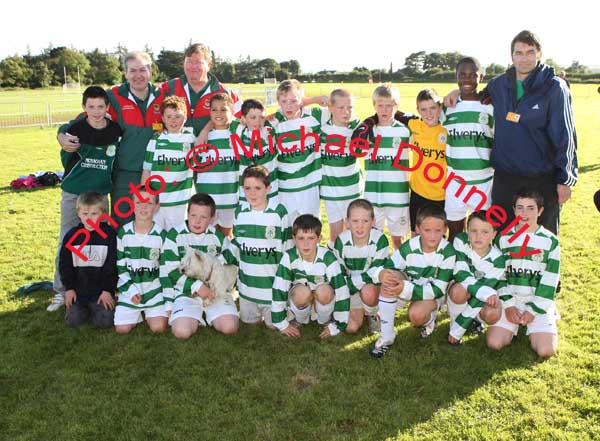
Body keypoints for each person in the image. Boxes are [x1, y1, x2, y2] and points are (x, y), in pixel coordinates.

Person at [445, 31, 577, 235]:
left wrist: (565, 180)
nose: (524, 58)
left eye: (530, 52)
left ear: (539, 54)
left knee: (542, 236)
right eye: (519, 53)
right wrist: (455, 92)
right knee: (504, 235)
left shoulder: (554, 87)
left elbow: (565, 136)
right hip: (505, 179)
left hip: (541, 177)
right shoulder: (499, 84)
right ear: (512, 56)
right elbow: (475, 95)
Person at [57, 51, 166, 226]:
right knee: (123, 221)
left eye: (142, 70)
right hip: (124, 172)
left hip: (157, 171)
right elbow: (82, 120)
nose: (138, 75)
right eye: (132, 70)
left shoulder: (162, 95)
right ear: (125, 73)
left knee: (154, 220)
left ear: (150, 71)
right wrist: (62, 135)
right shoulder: (114, 96)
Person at [48, 86, 121, 312]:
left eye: (101, 106)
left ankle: (100, 288)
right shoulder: (75, 130)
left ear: (107, 108)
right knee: (68, 239)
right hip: (75, 193)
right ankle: (61, 291)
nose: (96, 111)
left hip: (100, 195)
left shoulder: (115, 131)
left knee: (100, 242)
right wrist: (61, 136)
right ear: (84, 108)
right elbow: (64, 137)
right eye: (91, 107)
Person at [369, 204, 455, 358]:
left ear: (445, 230)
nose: (433, 236)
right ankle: (387, 336)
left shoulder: (448, 252)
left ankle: (430, 320)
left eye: (438, 230)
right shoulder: (409, 247)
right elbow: (388, 267)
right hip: (410, 284)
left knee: (415, 316)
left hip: (433, 294)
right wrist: (381, 274)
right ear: (417, 229)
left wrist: (405, 288)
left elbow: (438, 290)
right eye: (427, 230)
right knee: (389, 279)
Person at [488, 188, 560, 358]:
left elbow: (550, 280)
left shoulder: (550, 241)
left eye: (530, 208)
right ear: (513, 210)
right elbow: (498, 275)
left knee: (546, 351)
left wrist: (534, 310)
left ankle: (547, 317)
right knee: (494, 343)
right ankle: (513, 324)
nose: (524, 213)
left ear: (540, 211)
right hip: (512, 299)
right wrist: (508, 304)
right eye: (519, 207)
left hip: (538, 301)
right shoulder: (503, 239)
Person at [162, 193, 239, 339]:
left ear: (212, 218)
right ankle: (194, 314)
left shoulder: (216, 236)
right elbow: (171, 271)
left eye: (203, 217)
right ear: (187, 213)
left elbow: (233, 252)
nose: (197, 221)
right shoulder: (174, 235)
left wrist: (218, 262)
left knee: (230, 327)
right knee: (181, 332)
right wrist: (197, 286)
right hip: (187, 293)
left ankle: (210, 313)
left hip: (215, 292)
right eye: (193, 215)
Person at [230, 165, 293, 327]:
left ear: (268, 188)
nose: (252, 193)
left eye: (258, 188)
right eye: (247, 188)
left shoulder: (279, 212)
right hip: (247, 290)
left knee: (274, 326)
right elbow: (238, 246)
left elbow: (288, 248)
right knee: (248, 323)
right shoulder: (239, 213)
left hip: (272, 290)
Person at [271, 214, 350, 339]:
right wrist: (281, 323)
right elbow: (279, 288)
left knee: (324, 290)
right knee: (301, 292)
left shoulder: (328, 258)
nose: (306, 244)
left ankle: (325, 320)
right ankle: (300, 319)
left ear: (319, 238)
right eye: (301, 238)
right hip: (303, 298)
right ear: (294, 239)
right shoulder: (289, 257)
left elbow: (341, 290)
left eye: (311, 238)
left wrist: (338, 325)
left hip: (322, 298)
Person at [443, 57, 494, 241]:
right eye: (462, 75)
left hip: (483, 182)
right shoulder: (447, 107)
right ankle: (455, 268)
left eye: (473, 75)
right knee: (455, 234)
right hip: (455, 183)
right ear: (456, 76)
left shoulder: (490, 107)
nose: (467, 80)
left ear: (481, 77)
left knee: (482, 235)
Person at [360, 83, 411, 249]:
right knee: (374, 239)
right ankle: (376, 269)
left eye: (389, 105)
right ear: (374, 105)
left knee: (398, 239)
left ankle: (402, 268)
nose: (384, 110)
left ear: (396, 106)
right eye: (380, 105)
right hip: (373, 195)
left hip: (398, 195)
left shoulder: (405, 131)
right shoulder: (366, 131)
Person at [114, 186, 169, 334]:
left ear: (157, 206)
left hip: (154, 291)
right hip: (131, 290)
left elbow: (166, 270)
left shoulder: (162, 235)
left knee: (159, 328)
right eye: (139, 203)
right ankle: (137, 313)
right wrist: (131, 291)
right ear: (132, 205)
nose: (143, 207)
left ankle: (150, 312)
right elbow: (121, 268)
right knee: (122, 329)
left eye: (149, 203)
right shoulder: (123, 233)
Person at [59, 192, 117, 328]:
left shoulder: (110, 235)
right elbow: (65, 265)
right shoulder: (72, 236)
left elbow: (112, 266)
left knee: (105, 322)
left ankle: (99, 308)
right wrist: (69, 288)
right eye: (85, 214)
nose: (89, 218)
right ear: (78, 213)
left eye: (94, 214)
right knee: (73, 321)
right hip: (79, 293)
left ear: (102, 213)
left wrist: (108, 290)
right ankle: (82, 309)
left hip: (101, 292)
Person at [269, 79, 324, 221]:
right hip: (285, 188)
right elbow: (253, 122)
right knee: (288, 232)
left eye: (294, 101)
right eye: (284, 101)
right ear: (278, 102)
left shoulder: (315, 115)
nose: (289, 106)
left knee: (311, 229)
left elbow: (332, 101)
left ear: (302, 100)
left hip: (309, 187)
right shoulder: (275, 122)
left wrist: (310, 100)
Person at [332, 199, 389, 334]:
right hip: (350, 288)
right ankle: (358, 308)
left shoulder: (380, 240)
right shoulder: (341, 241)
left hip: (370, 287)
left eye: (365, 221)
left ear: (373, 221)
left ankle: (373, 313)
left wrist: (350, 285)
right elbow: (339, 273)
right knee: (350, 328)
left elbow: (375, 274)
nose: (360, 226)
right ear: (347, 222)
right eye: (355, 221)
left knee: (368, 292)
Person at [447, 210, 504, 345]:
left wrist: (458, 330)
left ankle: (475, 321)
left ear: (494, 234)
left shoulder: (498, 260)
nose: (478, 236)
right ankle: (455, 320)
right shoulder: (460, 241)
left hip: (479, 298)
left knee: (492, 313)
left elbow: (481, 296)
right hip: (461, 289)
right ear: (467, 231)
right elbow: (461, 274)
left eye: (485, 232)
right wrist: (484, 293)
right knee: (459, 290)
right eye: (473, 231)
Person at [161, 43, 242, 136]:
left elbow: (245, 119)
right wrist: (159, 129)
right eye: (189, 62)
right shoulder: (169, 88)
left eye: (198, 62)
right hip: (177, 148)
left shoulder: (224, 92)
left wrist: (207, 129)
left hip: (212, 148)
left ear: (209, 65)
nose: (193, 67)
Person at [141, 96, 195, 231]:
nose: (173, 121)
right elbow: (147, 170)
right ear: (163, 118)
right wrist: (145, 199)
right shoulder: (156, 139)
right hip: (158, 202)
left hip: (181, 202)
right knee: (157, 238)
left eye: (178, 116)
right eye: (169, 116)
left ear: (185, 117)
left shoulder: (191, 138)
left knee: (178, 239)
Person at [319, 89, 362, 246]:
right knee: (336, 235)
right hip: (331, 192)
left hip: (352, 189)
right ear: (330, 108)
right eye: (341, 108)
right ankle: (337, 267)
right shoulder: (322, 128)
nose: (346, 112)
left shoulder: (358, 127)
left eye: (350, 107)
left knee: (354, 234)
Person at [194, 93, 240, 237]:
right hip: (207, 197)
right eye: (214, 109)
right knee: (207, 236)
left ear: (232, 111)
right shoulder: (203, 137)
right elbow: (196, 162)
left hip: (230, 196)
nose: (218, 113)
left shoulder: (238, 134)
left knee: (227, 235)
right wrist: (205, 131)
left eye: (223, 109)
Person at [405, 88, 447, 236]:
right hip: (418, 191)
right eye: (423, 109)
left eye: (433, 108)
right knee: (416, 234)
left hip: (442, 194)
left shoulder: (448, 129)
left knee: (437, 236)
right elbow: (393, 114)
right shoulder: (414, 125)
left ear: (440, 107)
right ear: (418, 110)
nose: (429, 114)